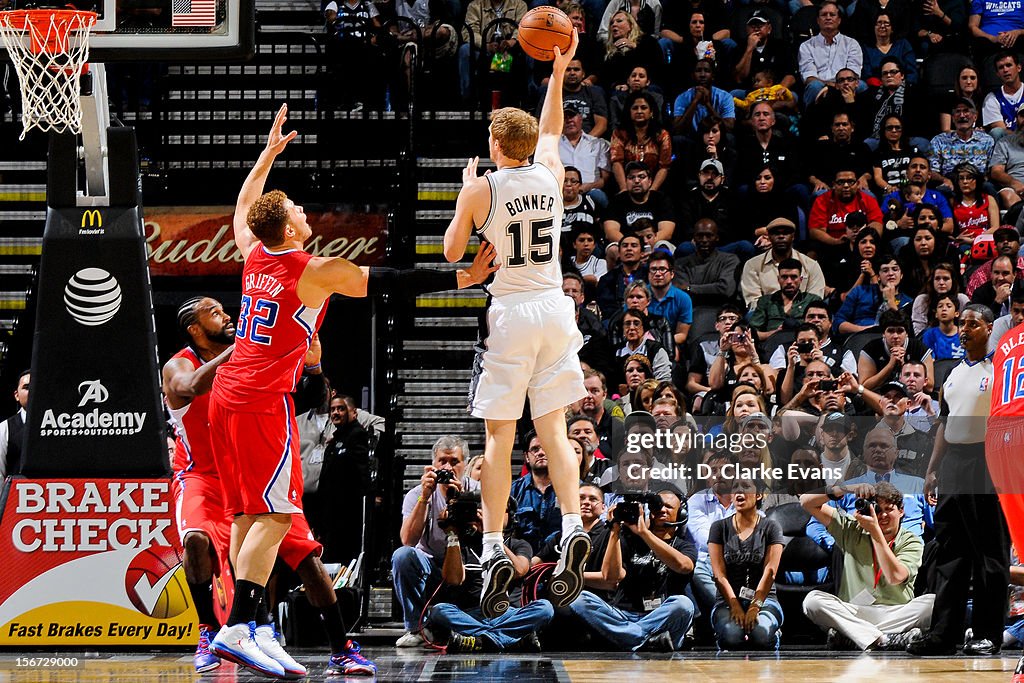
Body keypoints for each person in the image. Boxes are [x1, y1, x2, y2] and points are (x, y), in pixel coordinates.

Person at [208, 105, 495, 676]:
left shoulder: (255, 251)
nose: (304, 210)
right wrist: (461, 277)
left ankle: (254, 629)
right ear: (289, 228)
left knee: (247, 517)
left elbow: (244, 208)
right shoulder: (309, 267)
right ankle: (240, 626)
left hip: (229, 394)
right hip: (261, 400)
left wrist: (267, 155)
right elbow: (389, 281)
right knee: (273, 517)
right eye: (296, 209)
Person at [442, 32, 593, 620]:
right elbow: (552, 129)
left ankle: (494, 544)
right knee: (554, 427)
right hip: (556, 307)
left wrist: (462, 196)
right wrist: (558, 72)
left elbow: (455, 251)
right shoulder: (552, 173)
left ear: (497, 144)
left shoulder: (484, 185)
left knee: (500, 438)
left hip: (509, 311)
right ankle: (575, 522)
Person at [167, 298, 375, 677]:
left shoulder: (250, 359)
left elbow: (308, 394)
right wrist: (241, 348)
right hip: (201, 475)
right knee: (196, 539)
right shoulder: (181, 364)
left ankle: (340, 648)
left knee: (307, 558)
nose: (227, 315)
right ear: (195, 330)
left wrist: (313, 364)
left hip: (250, 470)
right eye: (214, 313)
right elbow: (194, 385)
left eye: (225, 310)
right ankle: (209, 632)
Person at [909, 304, 1009, 656]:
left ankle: (987, 634)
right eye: (961, 324)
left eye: (973, 324)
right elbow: (944, 424)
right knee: (950, 551)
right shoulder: (951, 372)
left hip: (989, 461)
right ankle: (944, 634)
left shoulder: (1001, 369)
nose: (964, 329)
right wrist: (933, 469)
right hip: (954, 463)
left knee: (989, 554)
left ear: (989, 328)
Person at [800, 480, 933, 651]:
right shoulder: (852, 529)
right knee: (813, 601)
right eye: (877, 509)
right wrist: (847, 488)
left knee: (933, 603)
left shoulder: (911, 540)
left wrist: (874, 531)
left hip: (897, 612)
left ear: (901, 511)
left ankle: (853, 637)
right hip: (856, 611)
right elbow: (806, 502)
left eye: (889, 509)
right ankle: (884, 639)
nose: (883, 516)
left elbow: (895, 577)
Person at [568, 489, 698, 651]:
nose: (662, 510)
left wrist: (644, 533)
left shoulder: (684, 546)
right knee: (579, 598)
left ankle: (626, 637)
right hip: (623, 615)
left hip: (660, 618)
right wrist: (614, 531)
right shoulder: (629, 539)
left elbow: (683, 566)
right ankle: (646, 640)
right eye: (658, 506)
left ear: (681, 514)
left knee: (683, 604)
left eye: (669, 507)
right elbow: (611, 577)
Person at [425, 495, 552, 653]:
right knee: (439, 610)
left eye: (498, 510)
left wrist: (491, 535)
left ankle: (481, 640)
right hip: (470, 614)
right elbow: (454, 579)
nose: (491, 514)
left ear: (510, 516)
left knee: (545, 608)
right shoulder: (460, 545)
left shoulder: (518, 544)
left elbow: (519, 571)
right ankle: (510, 640)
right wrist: (452, 535)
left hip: (508, 613)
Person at [708, 478, 784, 650]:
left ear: (758, 495)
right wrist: (734, 605)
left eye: (746, 486)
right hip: (727, 602)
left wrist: (755, 606)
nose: (739, 491)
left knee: (761, 635)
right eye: (735, 487)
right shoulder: (719, 528)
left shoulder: (771, 527)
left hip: (765, 601)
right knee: (732, 637)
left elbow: (770, 571)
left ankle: (774, 634)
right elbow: (719, 574)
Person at [740, 218, 826, 308]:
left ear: (793, 236)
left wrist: (793, 312)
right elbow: (753, 302)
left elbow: (815, 299)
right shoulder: (752, 265)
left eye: (785, 233)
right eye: (776, 233)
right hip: (765, 316)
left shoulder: (811, 265)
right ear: (768, 236)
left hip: (802, 315)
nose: (781, 236)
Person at [798, 1, 864, 107]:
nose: (828, 18)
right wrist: (830, 85)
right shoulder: (806, 46)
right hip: (819, 87)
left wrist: (837, 86)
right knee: (814, 86)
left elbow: (854, 74)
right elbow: (809, 77)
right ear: (818, 21)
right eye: (824, 15)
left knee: (861, 86)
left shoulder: (852, 44)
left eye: (832, 15)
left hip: (845, 84)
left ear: (839, 20)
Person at [610, 91, 673, 192]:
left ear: (651, 112)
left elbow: (664, 167)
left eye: (644, 108)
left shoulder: (662, 135)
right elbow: (616, 162)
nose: (639, 111)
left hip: (655, 187)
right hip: (626, 186)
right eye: (635, 108)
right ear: (629, 112)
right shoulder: (619, 133)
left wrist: (652, 192)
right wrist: (624, 189)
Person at [748, 259, 824, 341]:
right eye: (784, 277)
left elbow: (821, 330)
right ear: (778, 279)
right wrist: (775, 333)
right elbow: (751, 334)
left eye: (793, 277)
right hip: (771, 346)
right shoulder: (766, 301)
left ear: (801, 279)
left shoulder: (812, 300)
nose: (789, 281)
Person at [537, 60, 609, 138]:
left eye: (576, 69)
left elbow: (601, 124)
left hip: (589, 141)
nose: (572, 73)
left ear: (583, 74)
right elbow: (540, 122)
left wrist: (585, 142)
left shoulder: (594, 92)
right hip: (558, 142)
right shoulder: (550, 93)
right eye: (567, 70)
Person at [930, 100, 996, 185]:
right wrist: (944, 180)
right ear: (953, 118)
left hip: (978, 184)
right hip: (950, 184)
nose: (962, 115)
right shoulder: (938, 141)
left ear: (975, 117)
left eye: (966, 111)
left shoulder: (987, 141)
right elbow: (932, 171)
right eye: (958, 111)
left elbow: (992, 171)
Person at [560, 108, 611, 208]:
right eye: (565, 117)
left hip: (590, 191)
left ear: (580, 119)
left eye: (572, 116)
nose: (569, 120)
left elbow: (605, 179)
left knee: (598, 196)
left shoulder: (599, 144)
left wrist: (588, 186)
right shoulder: (553, 145)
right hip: (561, 193)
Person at [861, 13, 917, 84]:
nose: (882, 26)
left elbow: (912, 72)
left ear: (892, 28)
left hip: (902, 87)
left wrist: (902, 86)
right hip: (875, 88)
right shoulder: (867, 48)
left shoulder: (903, 45)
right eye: (879, 23)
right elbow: (867, 75)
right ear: (874, 27)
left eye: (886, 23)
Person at [982, 52, 1024, 137]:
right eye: (1001, 67)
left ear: (1019, 67)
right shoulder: (992, 98)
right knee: (996, 132)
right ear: (997, 74)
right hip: (1007, 145)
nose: (1005, 70)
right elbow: (1001, 132)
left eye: (1009, 65)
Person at [990, 108, 1024, 208]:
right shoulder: (1004, 143)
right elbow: (996, 172)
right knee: (1008, 196)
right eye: (1023, 116)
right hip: (1015, 188)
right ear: (1016, 119)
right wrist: (1014, 183)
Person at [0, 369, 28, 480]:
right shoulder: (5, 428)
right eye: (27, 387)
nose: (34, 390)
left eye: (38, 385)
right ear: (16, 395)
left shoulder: (60, 426)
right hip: (15, 496)